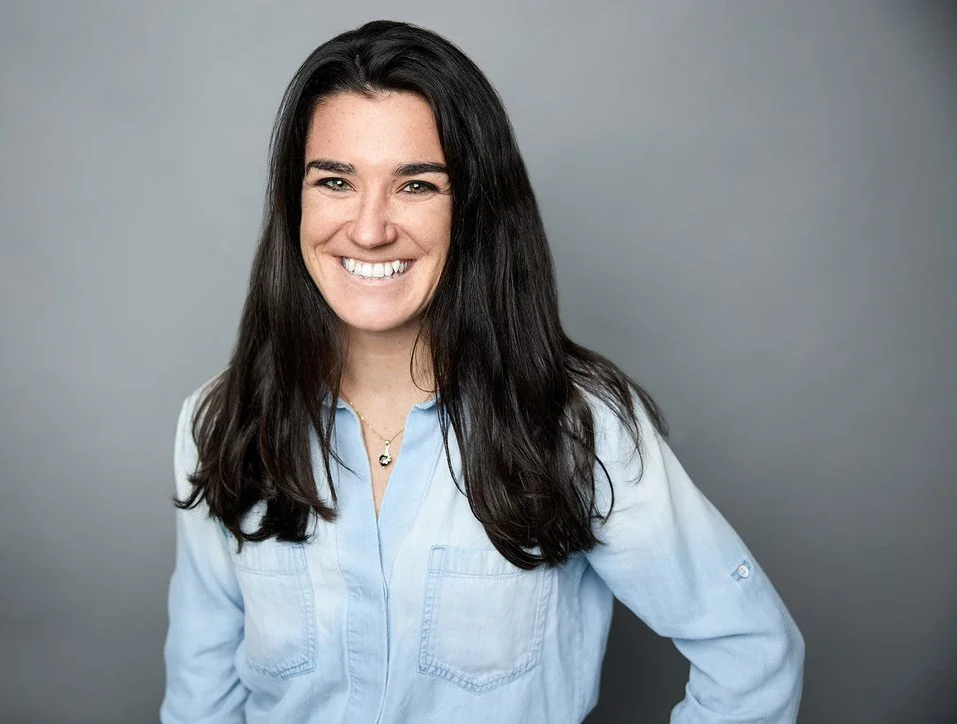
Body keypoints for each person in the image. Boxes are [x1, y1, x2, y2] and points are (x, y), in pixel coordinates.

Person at [160, 19, 805, 724]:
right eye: (337, 181)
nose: (370, 228)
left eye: (416, 186)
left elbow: (752, 654)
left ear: (473, 209)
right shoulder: (220, 424)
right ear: (295, 201)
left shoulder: (577, 426)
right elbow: (202, 700)